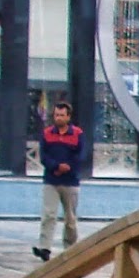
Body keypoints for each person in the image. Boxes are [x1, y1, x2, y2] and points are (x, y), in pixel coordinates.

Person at [33, 99, 85, 262]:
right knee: (49, 214)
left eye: (62, 115)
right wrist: (56, 166)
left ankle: (70, 249)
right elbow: (43, 156)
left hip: (70, 181)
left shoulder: (77, 134)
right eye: (56, 115)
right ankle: (45, 248)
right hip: (51, 180)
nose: (58, 118)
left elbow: (81, 155)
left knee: (70, 218)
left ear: (68, 117)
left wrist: (68, 166)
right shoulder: (47, 133)